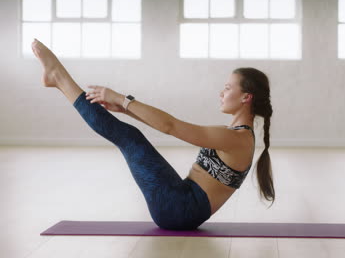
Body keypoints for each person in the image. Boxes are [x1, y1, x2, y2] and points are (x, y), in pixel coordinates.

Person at [31, 39, 274, 230]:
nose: (222, 92)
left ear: (246, 97)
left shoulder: (236, 139)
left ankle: (59, 78)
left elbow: (171, 126)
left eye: (228, 88)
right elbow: (168, 125)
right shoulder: (235, 135)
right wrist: (125, 110)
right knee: (130, 135)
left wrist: (122, 100)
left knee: (129, 138)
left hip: (178, 210)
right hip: (181, 203)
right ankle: (58, 79)